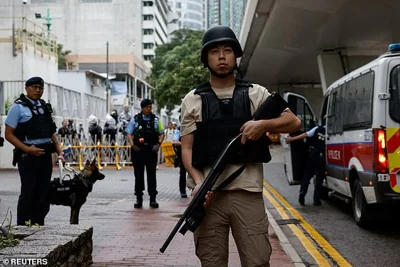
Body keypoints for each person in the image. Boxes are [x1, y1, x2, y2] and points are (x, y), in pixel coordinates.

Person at [180, 26, 301, 267]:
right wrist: (197, 180)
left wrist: (263, 124)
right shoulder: (192, 99)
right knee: (212, 262)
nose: (222, 56)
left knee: (257, 261)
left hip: (248, 194)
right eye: (214, 51)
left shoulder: (256, 94)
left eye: (227, 50)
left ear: (236, 56)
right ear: (206, 58)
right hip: (208, 197)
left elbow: (294, 121)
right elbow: (187, 150)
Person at [4, 76, 65, 226]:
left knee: (44, 192)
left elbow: (51, 133)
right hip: (27, 155)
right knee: (28, 191)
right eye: (34, 87)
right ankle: (23, 226)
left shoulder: (45, 107)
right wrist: (27, 149)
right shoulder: (17, 107)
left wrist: (60, 152)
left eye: (41, 88)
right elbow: (8, 134)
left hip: (45, 155)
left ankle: (38, 223)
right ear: (26, 88)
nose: (38, 91)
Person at [126, 99, 165, 208]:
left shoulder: (156, 120)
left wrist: (158, 144)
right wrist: (132, 145)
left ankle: (153, 199)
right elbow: (129, 133)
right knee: (138, 175)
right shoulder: (136, 119)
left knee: (151, 175)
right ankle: (139, 199)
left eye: (150, 107)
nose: (149, 109)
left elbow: (162, 133)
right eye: (147, 107)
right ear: (142, 108)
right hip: (138, 150)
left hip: (151, 150)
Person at [285, 125, 326, 206]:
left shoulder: (317, 128)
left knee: (307, 175)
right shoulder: (329, 131)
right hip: (321, 157)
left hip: (312, 154)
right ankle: (316, 199)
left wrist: (291, 139)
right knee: (319, 178)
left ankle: (302, 193)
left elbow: (305, 135)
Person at [172, 126, 187, 198]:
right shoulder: (178, 130)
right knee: (183, 172)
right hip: (183, 154)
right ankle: (183, 191)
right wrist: (187, 145)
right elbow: (175, 142)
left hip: (194, 153)